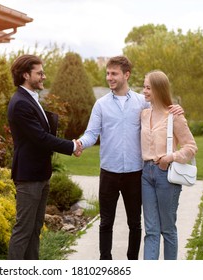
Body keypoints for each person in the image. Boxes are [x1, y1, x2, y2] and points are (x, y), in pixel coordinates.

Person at [77, 56, 183, 260]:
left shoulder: (142, 103)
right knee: (106, 221)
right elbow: (91, 133)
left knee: (135, 223)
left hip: (136, 173)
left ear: (126, 75)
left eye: (114, 73)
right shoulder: (100, 105)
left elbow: (162, 112)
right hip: (108, 171)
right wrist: (80, 143)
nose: (109, 78)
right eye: (108, 73)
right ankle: (105, 262)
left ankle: (132, 262)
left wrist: (176, 109)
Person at [7, 54, 82, 260]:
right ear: (25, 75)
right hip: (29, 176)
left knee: (35, 228)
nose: (44, 77)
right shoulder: (21, 102)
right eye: (39, 73)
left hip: (40, 173)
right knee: (23, 230)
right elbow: (41, 138)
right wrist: (71, 146)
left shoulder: (30, 98)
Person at [141, 70, 197, 260]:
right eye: (144, 86)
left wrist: (170, 157)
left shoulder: (174, 116)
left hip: (166, 175)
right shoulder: (143, 113)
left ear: (158, 89)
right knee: (151, 229)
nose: (144, 91)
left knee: (167, 229)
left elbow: (191, 147)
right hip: (146, 175)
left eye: (148, 87)